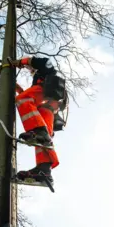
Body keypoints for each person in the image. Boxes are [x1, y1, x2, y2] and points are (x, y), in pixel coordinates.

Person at [9, 55, 67, 185]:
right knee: (43, 141)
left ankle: (39, 131)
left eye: (29, 67)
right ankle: (43, 170)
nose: (28, 68)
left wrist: (20, 62)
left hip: (47, 97)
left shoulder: (46, 71)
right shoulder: (39, 80)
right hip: (48, 108)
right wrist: (16, 87)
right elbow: (30, 96)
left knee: (22, 100)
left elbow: (44, 61)